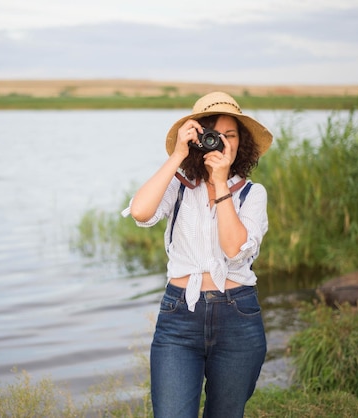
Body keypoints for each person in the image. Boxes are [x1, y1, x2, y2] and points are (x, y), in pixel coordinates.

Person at [122, 91, 273, 418]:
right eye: (211, 135)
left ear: (240, 143)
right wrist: (177, 155)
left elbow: (234, 248)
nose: (219, 142)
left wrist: (221, 185)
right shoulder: (179, 186)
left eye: (229, 136)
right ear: (197, 139)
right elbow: (140, 212)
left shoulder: (252, 194)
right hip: (179, 316)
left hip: (239, 317)